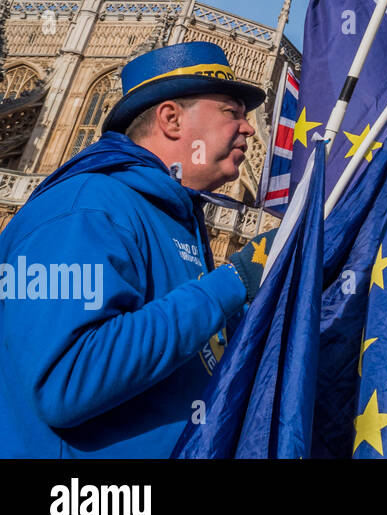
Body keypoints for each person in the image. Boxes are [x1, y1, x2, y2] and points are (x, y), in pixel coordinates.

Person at [0, 42, 274, 457]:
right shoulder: (87, 208)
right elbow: (67, 380)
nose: (250, 129)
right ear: (171, 119)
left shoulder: (171, 216)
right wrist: (232, 282)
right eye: (232, 112)